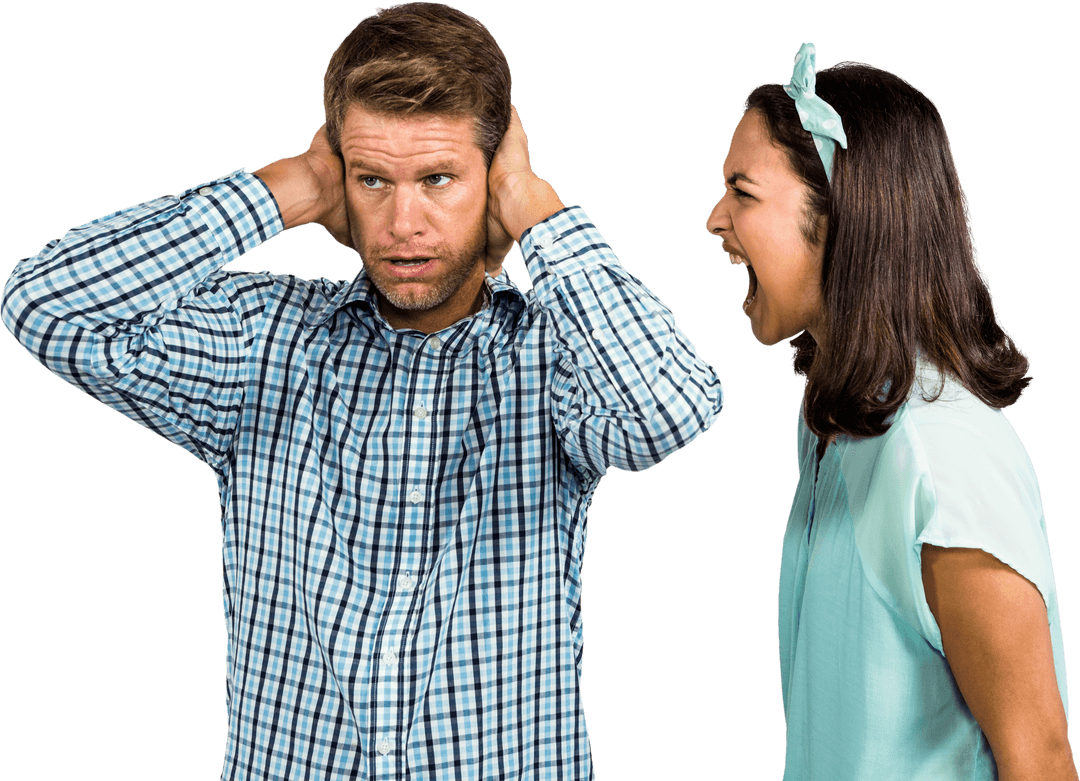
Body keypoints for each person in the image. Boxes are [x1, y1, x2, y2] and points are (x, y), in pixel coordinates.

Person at [1, 4, 722, 779]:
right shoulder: (262, 338)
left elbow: (670, 408)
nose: (401, 222)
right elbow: (44, 305)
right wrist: (292, 185)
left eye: (439, 178)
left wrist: (539, 212)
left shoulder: (557, 353)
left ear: (494, 178)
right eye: (372, 178)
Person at [706, 42, 1075, 781]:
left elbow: (1039, 758)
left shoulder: (944, 459)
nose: (715, 220)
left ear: (842, 219)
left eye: (743, 193)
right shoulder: (841, 429)